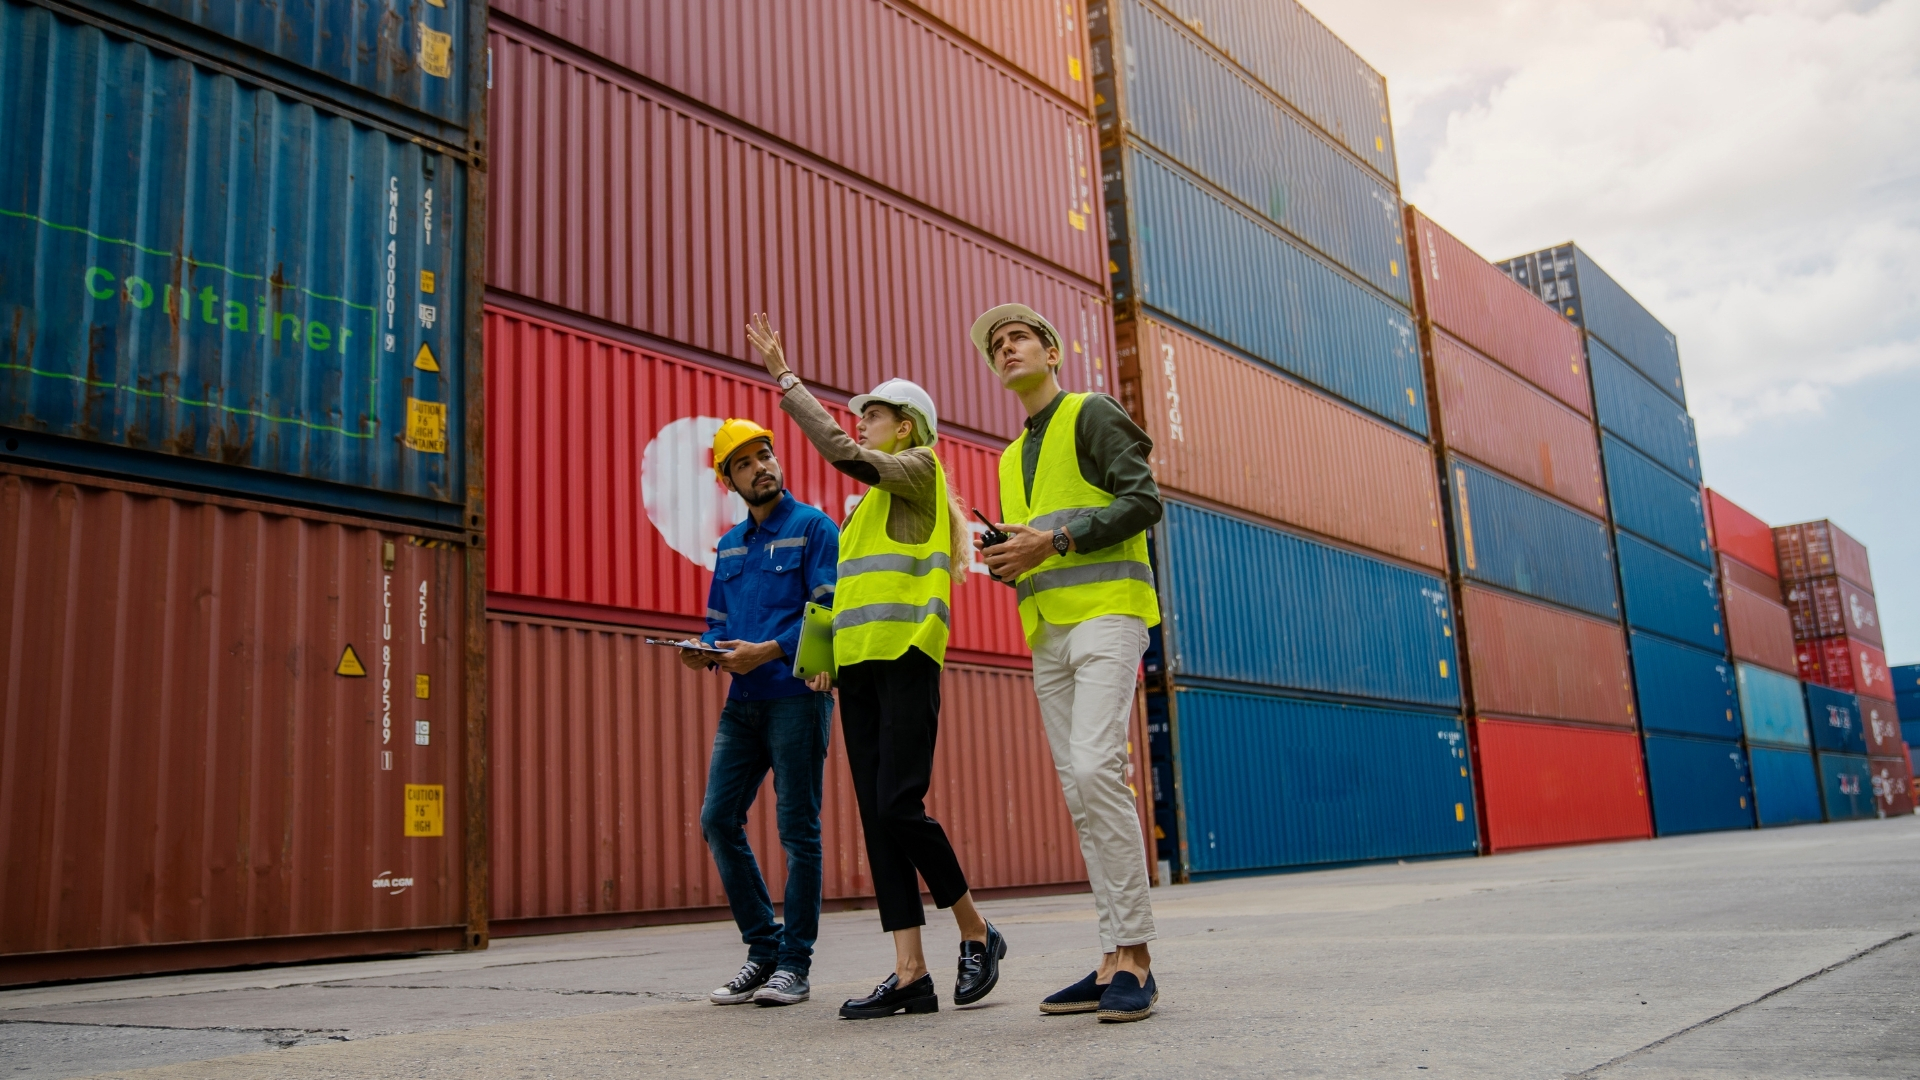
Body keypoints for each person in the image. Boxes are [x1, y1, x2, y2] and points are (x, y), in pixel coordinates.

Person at [745, 312, 1007, 1020]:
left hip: (907, 660)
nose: (861, 423)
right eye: (862, 416)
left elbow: (843, 454)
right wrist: (820, 657)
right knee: (876, 816)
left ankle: (978, 933)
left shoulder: (919, 473)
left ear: (909, 428)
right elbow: (842, 593)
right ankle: (910, 972)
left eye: (876, 415)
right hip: (858, 672)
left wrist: (786, 379)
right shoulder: (864, 512)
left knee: (900, 805)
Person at [969, 303, 1164, 1024]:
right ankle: (1111, 954)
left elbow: (1143, 501)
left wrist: (1052, 544)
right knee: (1080, 795)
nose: (1006, 348)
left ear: (1052, 351)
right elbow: (1034, 542)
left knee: (1094, 770)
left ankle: (1137, 957)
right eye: (996, 345)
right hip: (1048, 630)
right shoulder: (1008, 456)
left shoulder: (1093, 412)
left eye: (1017, 337)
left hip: (1109, 614)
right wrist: (1004, 558)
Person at [692, 418, 840, 1008]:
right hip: (742, 705)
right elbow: (719, 623)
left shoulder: (813, 528)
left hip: (797, 699)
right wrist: (703, 651)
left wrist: (770, 651)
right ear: (729, 478)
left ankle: (794, 965)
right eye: (747, 461)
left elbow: (827, 610)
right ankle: (763, 951)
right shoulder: (729, 545)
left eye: (766, 454)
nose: (763, 466)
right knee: (717, 819)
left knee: (797, 832)